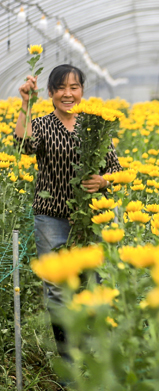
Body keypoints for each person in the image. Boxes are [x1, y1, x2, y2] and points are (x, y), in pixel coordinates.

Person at [14, 64, 122, 363]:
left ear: (82, 91)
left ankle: (97, 358)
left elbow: (116, 171)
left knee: (98, 284)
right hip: (52, 218)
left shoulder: (96, 125)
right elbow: (23, 144)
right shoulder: (45, 125)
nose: (67, 93)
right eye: (60, 88)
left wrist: (103, 182)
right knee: (59, 291)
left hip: (93, 218)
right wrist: (25, 103)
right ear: (50, 93)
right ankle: (70, 363)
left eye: (74, 87)